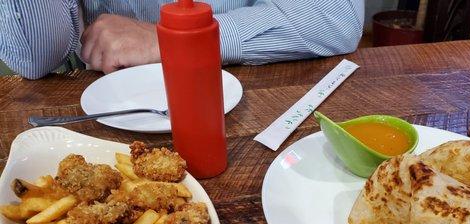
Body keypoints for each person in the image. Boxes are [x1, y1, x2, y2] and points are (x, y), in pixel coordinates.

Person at [0, 0, 364, 79]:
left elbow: (335, 16)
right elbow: (37, 52)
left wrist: (176, 40)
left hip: (247, 94)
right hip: (99, 109)